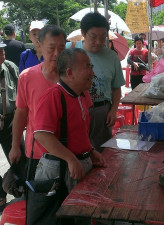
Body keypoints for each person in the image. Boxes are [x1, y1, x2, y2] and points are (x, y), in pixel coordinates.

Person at [32, 48, 105, 224]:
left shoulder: (82, 94)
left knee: (80, 217)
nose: (92, 72)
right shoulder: (53, 96)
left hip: (77, 164)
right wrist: (71, 159)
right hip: (59, 168)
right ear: (70, 72)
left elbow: (79, 130)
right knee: (59, 219)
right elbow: (41, 135)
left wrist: (91, 150)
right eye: (88, 67)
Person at [9, 25, 67, 170]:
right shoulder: (26, 77)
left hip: (68, 150)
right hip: (36, 151)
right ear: (39, 46)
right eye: (51, 48)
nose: (56, 53)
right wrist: (15, 146)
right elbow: (21, 113)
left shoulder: (71, 76)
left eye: (61, 48)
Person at [66, 12, 125, 152]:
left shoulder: (112, 57)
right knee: (75, 152)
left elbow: (116, 88)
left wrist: (113, 110)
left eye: (103, 37)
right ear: (83, 33)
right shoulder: (69, 50)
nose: (99, 42)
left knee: (101, 153)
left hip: (101, 114)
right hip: (74, 112)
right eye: (93, 37)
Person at [0, 37, 25, 211]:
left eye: (2, 49)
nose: (2, 52)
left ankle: (19, 187)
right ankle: (0, 195)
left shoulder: (10, 67)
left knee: (19, 155)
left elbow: (20, 89)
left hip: (10, 121)